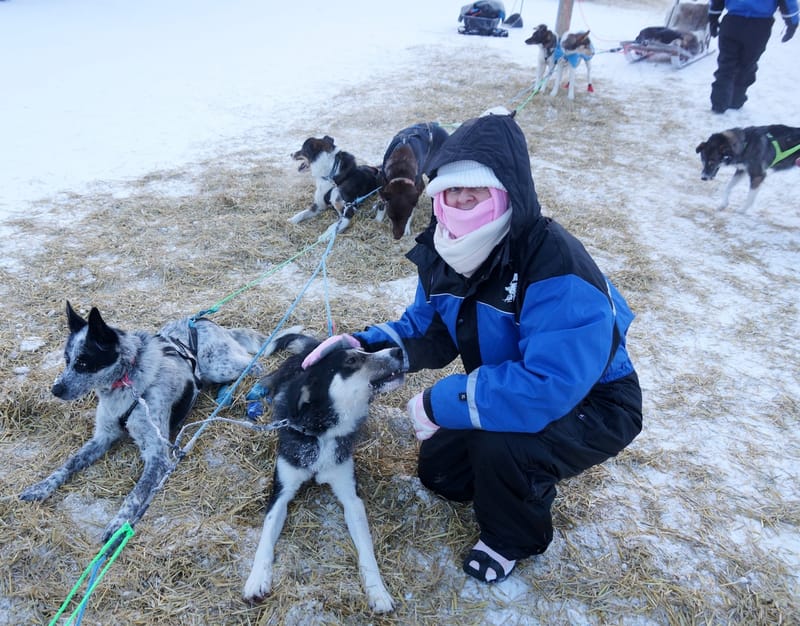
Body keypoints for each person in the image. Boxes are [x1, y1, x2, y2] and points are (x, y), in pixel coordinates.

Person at [302, 111, 643, 584]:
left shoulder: (554, 263)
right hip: (510, 382)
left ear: (506, 191)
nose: (461, 199)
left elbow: (549, 384)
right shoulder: (447, 248)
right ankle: (503, 470)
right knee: (441, 476)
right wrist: (363, 346)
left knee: (507, 446)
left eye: (476, 189)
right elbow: (427, 328)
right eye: (451, 189)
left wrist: (439, 400)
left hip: (593, 401)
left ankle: (511, 538)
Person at [708, 0, 799, 113]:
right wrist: (792, 24)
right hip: (759, 26)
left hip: (732, 23)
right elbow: (788, 2)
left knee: (726, 64)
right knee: (747, 64)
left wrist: (713, 18)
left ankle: (719, 103)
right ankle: (736, 100)